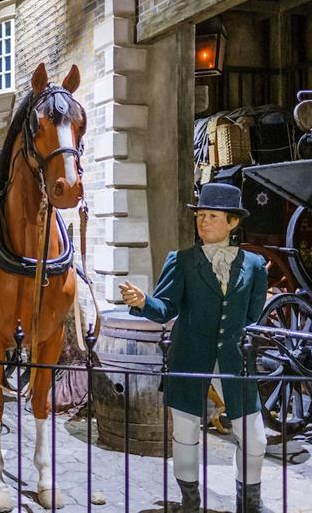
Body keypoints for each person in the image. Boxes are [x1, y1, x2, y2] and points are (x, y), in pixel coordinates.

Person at [119, 183, 268, 513]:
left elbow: (252, 315)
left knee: (255, 439)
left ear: (232, 222)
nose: (203, 222)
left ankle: (249, 504)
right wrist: (144, 301)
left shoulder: (255, 266)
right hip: (188, 357)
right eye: (200, 216)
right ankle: (190, 502)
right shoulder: (182, 261)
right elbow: (165, 309)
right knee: (186, 435)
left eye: (212, 216)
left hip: (234, 362)